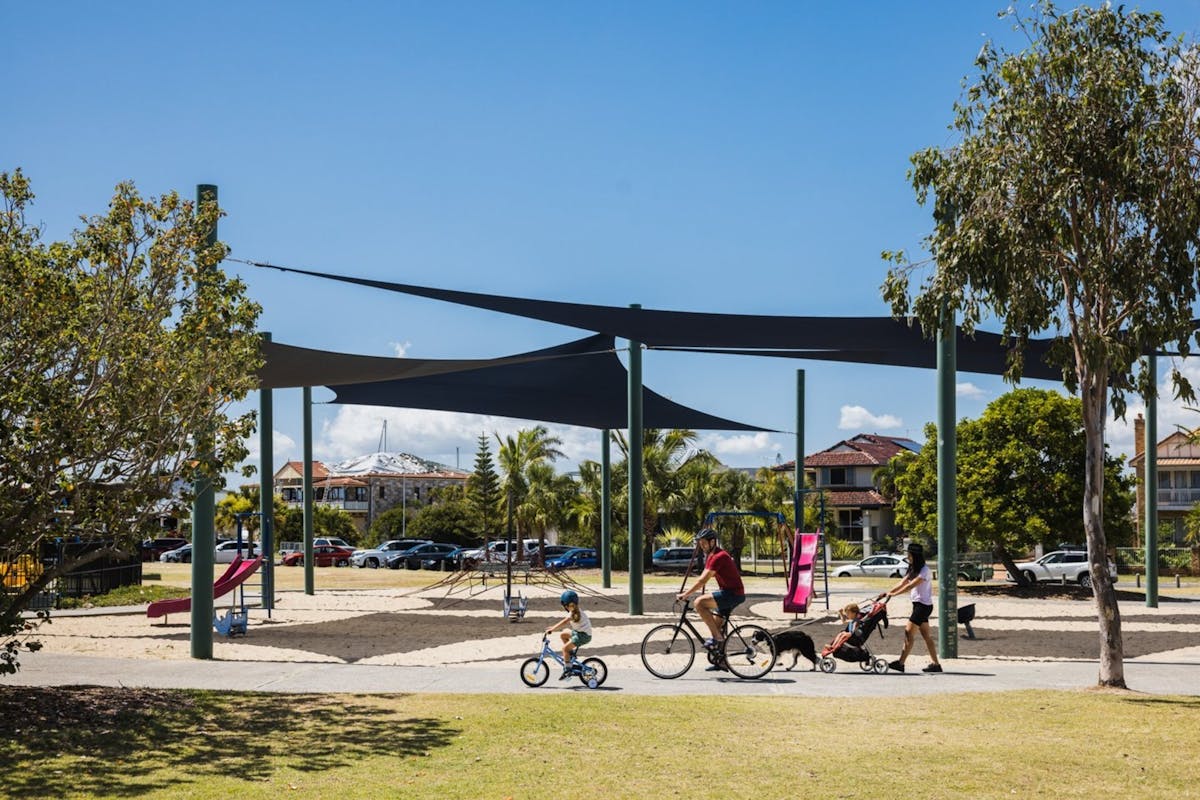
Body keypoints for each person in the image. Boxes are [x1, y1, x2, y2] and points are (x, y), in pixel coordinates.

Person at [676, 528, 745, 669]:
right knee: (717, 626)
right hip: (728, 592)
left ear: (712, 541)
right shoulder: (711, 556)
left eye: (704, 543)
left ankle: (717, 638)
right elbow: (705, 575)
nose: (702, 546)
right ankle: (721, 661)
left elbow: (703, 580)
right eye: (700, 543)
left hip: (733, 594)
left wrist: (686, 594)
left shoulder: (719, 556)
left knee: (699, 603)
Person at [877, 542, 942, 673]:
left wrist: (894, 594)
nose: (907, 556)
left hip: (923, 606)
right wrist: (888, 592)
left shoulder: (924, 570)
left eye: (909, 554)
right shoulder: (913, 568)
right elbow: (903, 582)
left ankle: (900, 663)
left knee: (908, 633)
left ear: (914, 555)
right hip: (919, 606)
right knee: (926, 636)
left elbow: (910, 586)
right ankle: (936, 664)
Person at [545, 589, 592, 679]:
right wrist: (553, 628)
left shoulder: (574, 613)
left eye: (565, 605)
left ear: (567, 605)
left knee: (564, 649)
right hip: (580, 633)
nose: (565, 607)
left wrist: (552, 629)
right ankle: (571, 655)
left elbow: (564, 622)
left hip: (583, 636)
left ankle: (568, 670)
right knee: (563, 635)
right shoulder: (574, 610)